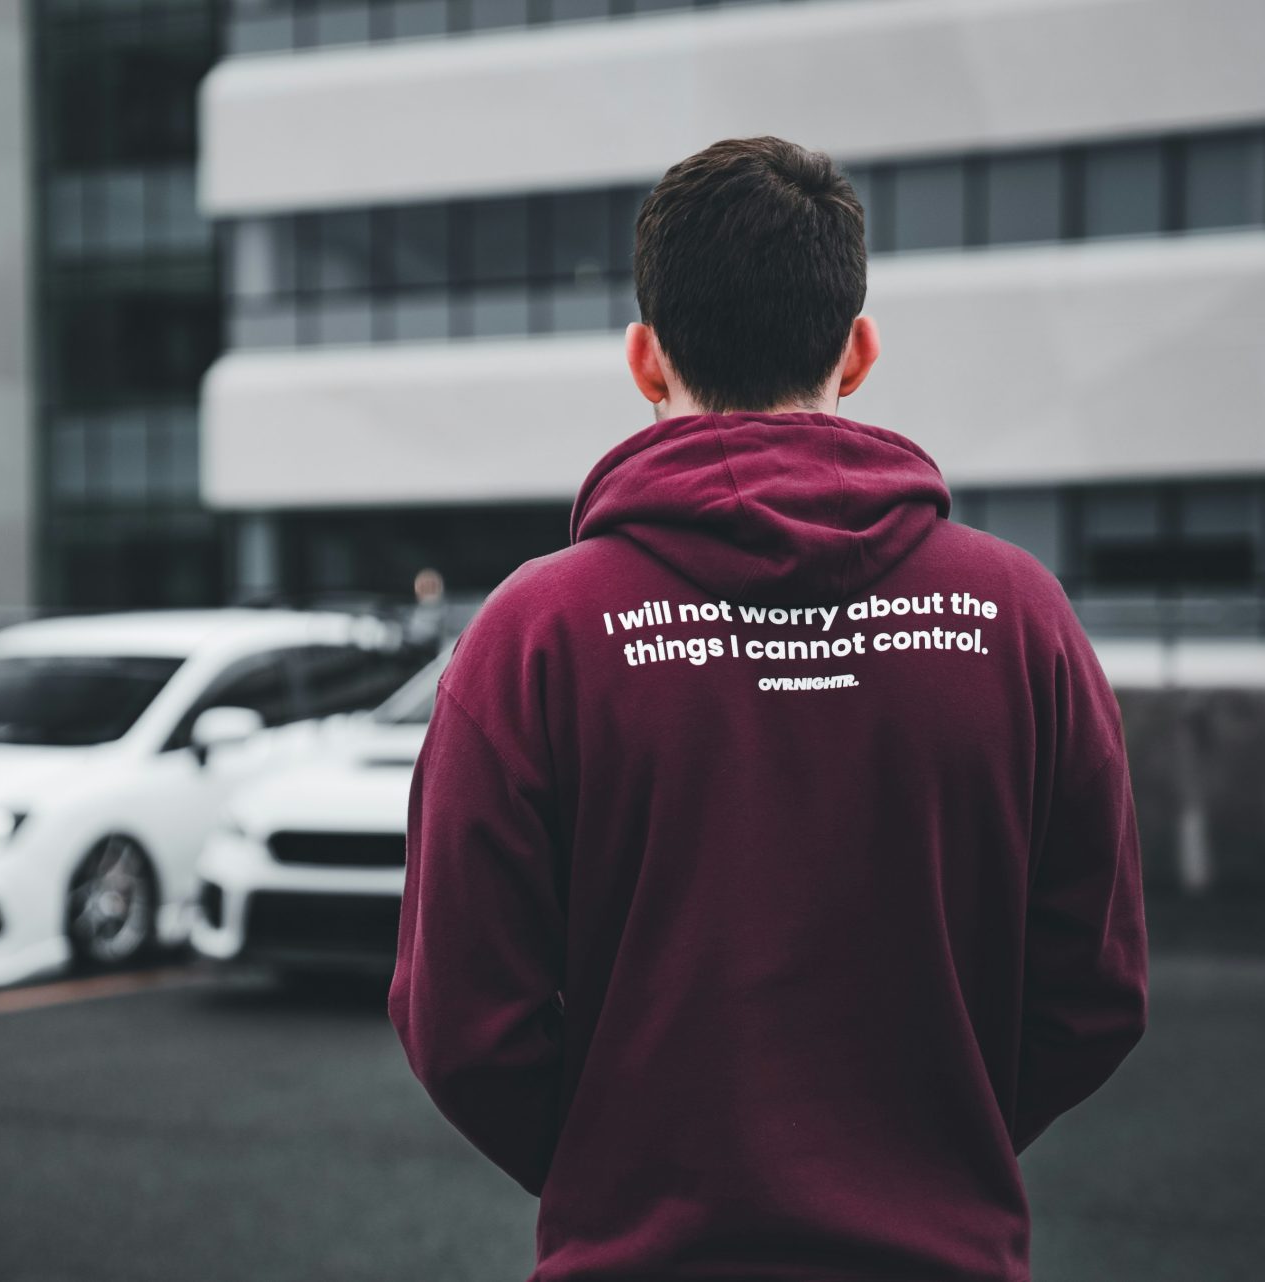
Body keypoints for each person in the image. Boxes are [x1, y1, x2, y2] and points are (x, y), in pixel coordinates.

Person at [389, 136, 1148, 1282]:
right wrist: (923, 1157)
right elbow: (1092, 989)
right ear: (859, 350)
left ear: (645, 361)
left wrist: (628, 1172)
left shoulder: (534, 634)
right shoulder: (1017, 616)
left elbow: (459, 1021)